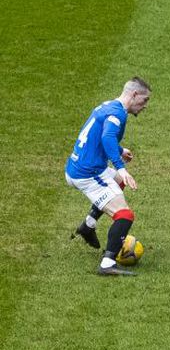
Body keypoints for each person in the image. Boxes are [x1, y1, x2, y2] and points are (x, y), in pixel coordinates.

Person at [64, 77, 152, 276]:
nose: (145, 106)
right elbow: (107, 137)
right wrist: (120, 167)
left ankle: (88, 225)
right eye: (144, 100)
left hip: (81, 166)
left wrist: (119, 150)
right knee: (125, 215)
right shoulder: (117, 114)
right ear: (134, 94)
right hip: (87, 173)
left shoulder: (108, 106)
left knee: (119, 183)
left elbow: (98, 135)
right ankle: (107, 264)